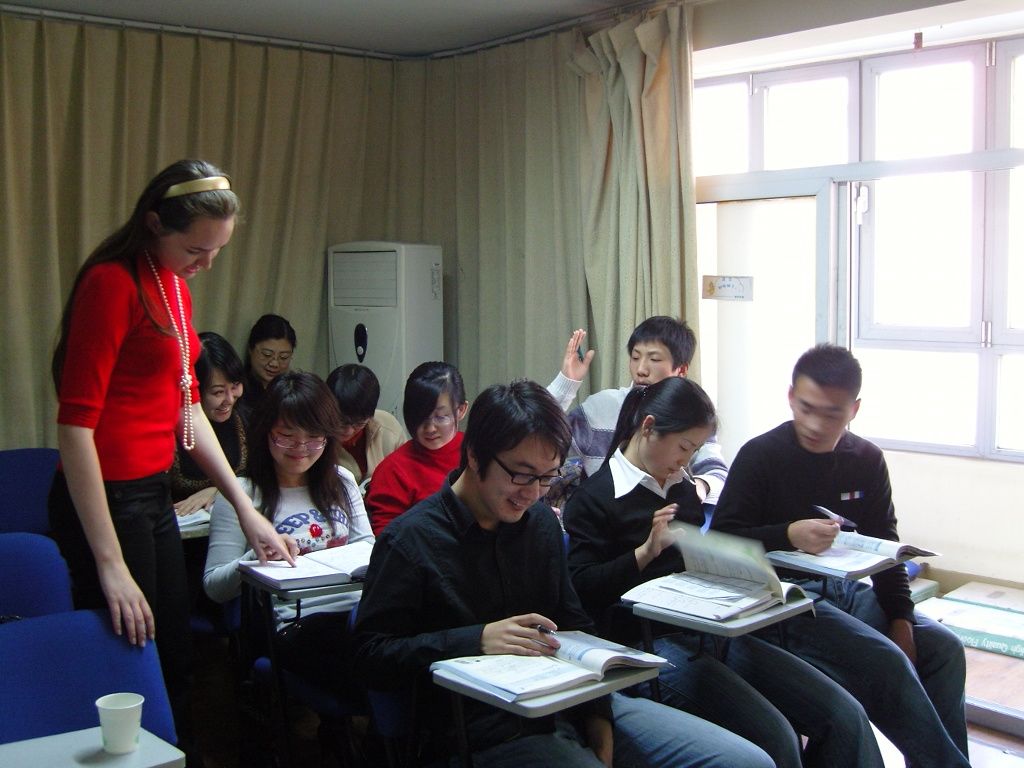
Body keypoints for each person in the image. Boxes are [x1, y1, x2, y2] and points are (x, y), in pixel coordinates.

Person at [352, 379, 773, 768]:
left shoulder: (539, 524)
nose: (532, 493)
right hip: (483, 730)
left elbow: (574, 623)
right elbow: (371, 656)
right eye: (521, 475)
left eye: (546, 477)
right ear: (475, 456)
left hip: (571, 702)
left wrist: (599, 716)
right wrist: (475, 639)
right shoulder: (412, 541)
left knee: (746, 761)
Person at [48, 159, 293, 761]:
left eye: (217, 251)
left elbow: (187, 411)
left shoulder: (174, 289)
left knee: (174, 653)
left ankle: (177, 754)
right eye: (196, 249)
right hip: (105, 500)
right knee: (128, 658)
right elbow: (75, 429)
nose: (206, 263)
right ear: (155, 224)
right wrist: (110, 564)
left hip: (148, 492)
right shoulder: (112, 284)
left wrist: (244, 507)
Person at [564, 377, 883, 768]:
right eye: (684, 447)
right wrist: (643, 554)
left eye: (694, 450)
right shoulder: (595, 498)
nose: (686, 461)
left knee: (844, 715)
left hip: (710, 632)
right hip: (649, 645)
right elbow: (582, 590)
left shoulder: (680, 488)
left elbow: (691, 565)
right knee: (776, 737)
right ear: (648, 428)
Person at [712, 344, 970, 768]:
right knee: (885, 662)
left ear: (854, 409)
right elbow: (721, 540)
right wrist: (787, 534)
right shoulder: (761, 455)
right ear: (790, 397)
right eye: (806, 408)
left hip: (846, 591)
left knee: (944, 649)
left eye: (831, 414)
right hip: (784, 599)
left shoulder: (866, 459)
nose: (815, 424)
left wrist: (901, 619)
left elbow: (886, 546)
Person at [204, 371, 373, 689]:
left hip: (356, 613)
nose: (301, 447)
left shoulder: (342, 481)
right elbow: (214, 587)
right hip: (294, 623)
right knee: (371, 658)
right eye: (286, 435)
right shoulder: (242, 494)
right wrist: (256, 559)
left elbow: (368, 551)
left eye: (314, 437)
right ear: (266, 431)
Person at [548, 318, 726, 507]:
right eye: (635, 357)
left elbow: (716, 472)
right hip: (603, 515)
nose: (641, 370)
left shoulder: (691, 414)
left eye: (654, 359)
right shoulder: (601, 407)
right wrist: (566, 383)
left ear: (681, 370)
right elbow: (539, 441)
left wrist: (699, 488)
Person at [365, 361, 468, 534]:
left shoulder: (476, 451)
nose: (430, 428)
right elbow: (387, 537)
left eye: (440, 417)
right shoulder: (393, 470)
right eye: (420, 417)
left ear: (461, 410)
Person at [171, 331, 248, 515]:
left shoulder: (245, 420)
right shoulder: (172, 430)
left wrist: (217, 490)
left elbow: (262, 476)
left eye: (235, 386)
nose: (229, 399)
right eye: (218, 392)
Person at [325, 363, 405, 485]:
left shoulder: (388, 427)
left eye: (358, 423)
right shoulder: (314, 438)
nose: (348, 431)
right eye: (341, 421)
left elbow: (406, 472)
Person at [240, 313, 296, 413]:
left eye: (283, 357)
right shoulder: (237, 389)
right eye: (267, 354)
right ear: (250, 349)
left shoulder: (294, 391)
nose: (274, 363)